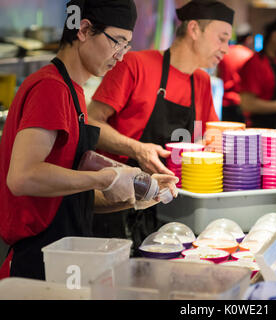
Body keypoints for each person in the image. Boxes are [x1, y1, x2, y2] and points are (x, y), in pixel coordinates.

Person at [0, 0, 178, 280]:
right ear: (83, 29)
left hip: (65, 253)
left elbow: (71, 197)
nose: (120, 56)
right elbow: (22, 177)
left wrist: (135, 194)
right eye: (117, 42)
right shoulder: (51, 88)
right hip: (37, 260)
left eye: (127, 46)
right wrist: (104, 178)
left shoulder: (75, 92)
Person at [87, 0, 234, 254]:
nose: (226, 49)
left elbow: (209, 133)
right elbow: (91, 122)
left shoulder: (201, 80)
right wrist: (138, 150)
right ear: (195, 29)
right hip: (119, 203)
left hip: (173, 209)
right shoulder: (136, 64)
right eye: (222, 38)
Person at [217, 23, 254, 123]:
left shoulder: (225, 54)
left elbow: (218, 75)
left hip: (225, 103)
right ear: (249, 39)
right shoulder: (250, 56)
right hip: (241, 104)